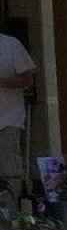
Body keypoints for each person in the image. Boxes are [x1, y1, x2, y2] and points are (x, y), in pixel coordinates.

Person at [0, 29, 35, 198]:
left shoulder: (11, 44)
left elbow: (28, 80)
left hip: (7, 120)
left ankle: (11, 215)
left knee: (9, 171)